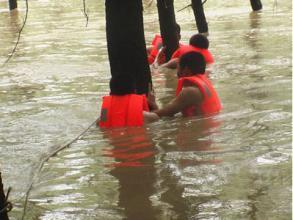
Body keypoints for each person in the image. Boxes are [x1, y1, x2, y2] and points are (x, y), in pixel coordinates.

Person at [149, 51, 221, 117]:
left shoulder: (189, 92)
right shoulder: (205, 84)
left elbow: (162, 114)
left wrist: (153, 103)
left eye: (178, 68)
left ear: (186, 70)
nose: (177, 73)